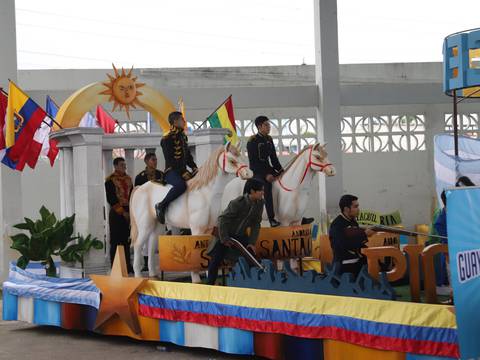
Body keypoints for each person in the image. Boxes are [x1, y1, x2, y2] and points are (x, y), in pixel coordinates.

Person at [206, 178, 265, 285]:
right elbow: (222, 219)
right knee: (216, 261)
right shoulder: (237, 203)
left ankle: (257, 284)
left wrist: (252, 242)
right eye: (261, 190)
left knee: (251, 258)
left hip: (241, 237)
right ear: (252, 191)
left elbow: (256, 224)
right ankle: (209, 286)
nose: (263, 193)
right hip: (225, 235)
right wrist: (224, 238)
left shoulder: (260, 203)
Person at [155, 111, 198, 224]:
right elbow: (170, 159)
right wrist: (183, 172)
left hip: (183, 170)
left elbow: (187, 155)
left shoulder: (183, 136)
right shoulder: (166, 139)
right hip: (171, 172)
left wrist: (194, 167)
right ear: (175, 121)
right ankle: (161, 205)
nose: (184, 121)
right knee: (181, 185)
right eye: (182, 119)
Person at [247, 115, 284, 227]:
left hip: (268, 169)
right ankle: (271, 219)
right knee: (267, 188)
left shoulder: (269, 139)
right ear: (259, 126)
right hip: (257, 172)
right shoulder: (252, 141)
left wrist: (281, 170)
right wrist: (266, 175)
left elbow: (273, 158)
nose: (269, 127)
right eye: (266, 125)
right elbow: (253, 162)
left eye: (269, 125)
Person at [329, 194, 375, 277]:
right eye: (355, 206)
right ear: (346, 209)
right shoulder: (337, 225)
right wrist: (364, 234)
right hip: (344, 266)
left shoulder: (353, 222)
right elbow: (344, 244)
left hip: (356, 262)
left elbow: (357, 243)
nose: (358, 209)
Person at [134, 152, 164, 272]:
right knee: (145, 238)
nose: (155, 162)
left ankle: (153, 263)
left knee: (156, 238)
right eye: (153, 160)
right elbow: (137, 195)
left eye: (156, 159)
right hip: (145, 211)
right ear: (146, 161)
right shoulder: (140, 177)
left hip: (159, 209)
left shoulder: (161, 174)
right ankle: (146, 263)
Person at [105, 157, 134, 273]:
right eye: (122, 165)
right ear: (116, 166)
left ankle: (128, 265)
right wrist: (123, 212)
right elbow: (111, 199)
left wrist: (131, 211)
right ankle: (115, 266)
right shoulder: (109, 180)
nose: (124, 167)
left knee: (127, 240)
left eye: (125, 165)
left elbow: (132, 195)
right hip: (116, 213)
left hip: (129, 211)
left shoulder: (129, 179)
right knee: (116, 240)